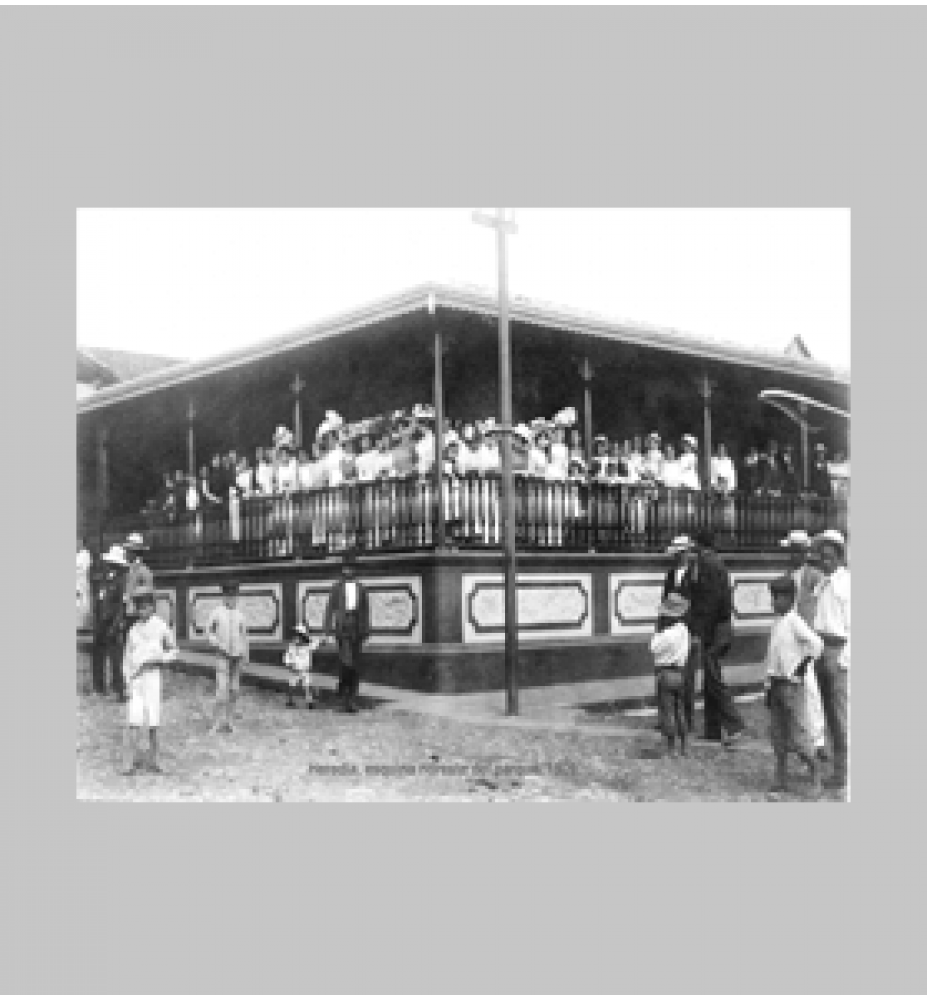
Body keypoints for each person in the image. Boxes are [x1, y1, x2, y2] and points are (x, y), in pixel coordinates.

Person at [763, 575, 823, 799]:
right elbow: (772, 658)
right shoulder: (777, 623)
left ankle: (815, 775)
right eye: (773, 597)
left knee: (798, 735)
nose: (773, 602)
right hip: (777, 685)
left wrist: (802, 666)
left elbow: (816, 643)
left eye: (777, 598)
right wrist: (768, 687)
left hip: (792, 686)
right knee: (778, 735)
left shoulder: (795, 621)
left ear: (789, 598)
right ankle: (781, 778)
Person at [688, 529, 746, 745]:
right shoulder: (714, 563)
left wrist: (699, 631)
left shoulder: (707, 565)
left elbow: (710, 602)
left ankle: (734, 724)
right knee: (710, 679)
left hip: (714, 629)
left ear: (699, 545)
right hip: (718, 627)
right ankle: (712, 729)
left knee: (713, 680)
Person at [120, 584, 178, 775]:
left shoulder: (161, 626)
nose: (142, 610)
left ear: (153, 606)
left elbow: (174, 651)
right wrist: (127, 681)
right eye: (139, 607)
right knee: (134, 719)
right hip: (137, 679)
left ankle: (155, 759)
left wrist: (160, 659)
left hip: (153, 677)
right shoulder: (133, 630)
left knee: (153, 720)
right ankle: (130, 761)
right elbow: (127, 658)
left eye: (146, 606)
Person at [780, 529, 828, 759]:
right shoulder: (788, 574)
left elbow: (821, 601)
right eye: (792, 551)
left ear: (805, 552)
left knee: (810, 688)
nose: (794, 555)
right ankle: (795, 735)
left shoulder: (814, 575)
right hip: (791, 636)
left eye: (798, 551)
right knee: (792, 685)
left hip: (807, 634)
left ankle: (817, 738)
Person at [812, 528, 851, 793]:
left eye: (829, 557)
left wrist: (844, 660)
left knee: (840, 715)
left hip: (838, 651)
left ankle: (843, 771)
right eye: (822, 557)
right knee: (824, 711)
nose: (825, 562)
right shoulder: (823, 583)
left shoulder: (846, 584)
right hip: (821, 648)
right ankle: (835, 767)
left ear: (839, 557)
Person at [323, 551, 371, 713]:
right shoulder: (337, 587)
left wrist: (366, 632)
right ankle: (343, 692)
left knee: (356, 665)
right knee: (346, 663)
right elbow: (330, 608)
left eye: (351, 568)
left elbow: (365, 610)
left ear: (355, 569)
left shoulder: (361, 588)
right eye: (345, 568)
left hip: (357, 628)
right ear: (342, 569)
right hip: (342, 628)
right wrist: (327, 632)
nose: (348, 571)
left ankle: (351, 699)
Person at [661, 536, 699, 728]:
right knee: (669, 672)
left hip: (687, 628)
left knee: (687, 676)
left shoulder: (694, 574)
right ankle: (669, 718)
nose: (676, 558)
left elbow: (697, 603)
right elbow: (666, 601)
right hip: (672, 629)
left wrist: (695, 632)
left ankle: (687, 718)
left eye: (678, 554)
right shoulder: (670, 574)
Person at [650, 593, 692, 758]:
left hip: (665, 673)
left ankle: (671, 747)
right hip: (681, 673)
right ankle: (685, 746)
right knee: (680, 710)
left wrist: (658, 631)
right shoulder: (684, 630)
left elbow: (653, 648)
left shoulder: (665, 635)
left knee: (667, 711)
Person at [206, 581, 250, 733]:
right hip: (222, 656)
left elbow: (244, 636)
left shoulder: (240, 615)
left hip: (237, 658)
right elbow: (209, 632)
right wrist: (217, 643)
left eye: (234, 596)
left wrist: (246, 655)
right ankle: (216, 722)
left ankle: (229, 721)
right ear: (223, 597)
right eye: (228, 596)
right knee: (221, 692)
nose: (231, 599)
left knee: (235, 690)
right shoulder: (217, 613)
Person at [92, 544, 130, 697]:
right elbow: (99, 601)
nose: (109, 565)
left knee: (116, 656)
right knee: (98, 653)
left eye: (112, 563)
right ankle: (99, 686)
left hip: (113, 622)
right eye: (109, 562)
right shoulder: (105, 579)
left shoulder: (122, 581)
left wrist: (116, 625)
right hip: (101, 621)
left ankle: (118, 687)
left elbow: (122, 605)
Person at [284, 624, 320, 709]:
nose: (296, 638)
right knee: (292, 685)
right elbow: (287, 656)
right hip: (295, 669)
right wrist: (289, 665)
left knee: (307, 686)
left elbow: (316, 642)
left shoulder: (308, 646)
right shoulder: (292, 647)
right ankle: (290, 700)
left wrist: (309, 638)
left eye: (299, 636)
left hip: (305, 670)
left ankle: (309, 701)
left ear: (303, 637)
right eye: (295, 635)